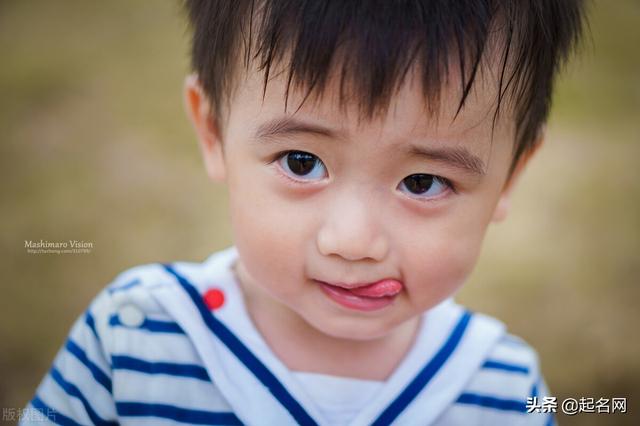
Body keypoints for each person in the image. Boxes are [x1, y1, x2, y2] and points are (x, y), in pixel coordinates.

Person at [21, 1, 587, 425]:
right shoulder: (136, 337)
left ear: (511, 175)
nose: (353, 241)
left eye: (423, 181)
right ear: (213, 130)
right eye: (301, 161)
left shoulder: (507, 392)